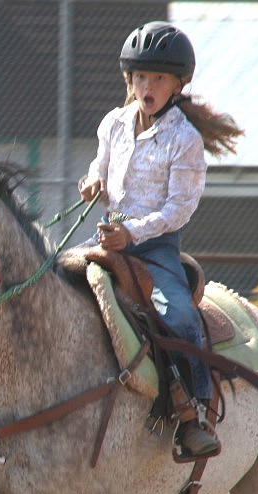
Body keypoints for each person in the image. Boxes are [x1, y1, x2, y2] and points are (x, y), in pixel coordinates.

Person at [78, 21, 244, 461]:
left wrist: (131, 232)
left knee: (181, 318)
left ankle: (195, 417)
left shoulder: (184, 140)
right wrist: (93, 181)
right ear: (128, 80)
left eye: (157, 78)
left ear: (177, 84)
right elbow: (101, 165)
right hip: (108, 238)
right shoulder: (113, 123)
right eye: (139, 77)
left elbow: (179, 210)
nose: (145, 86)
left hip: (155, 248)